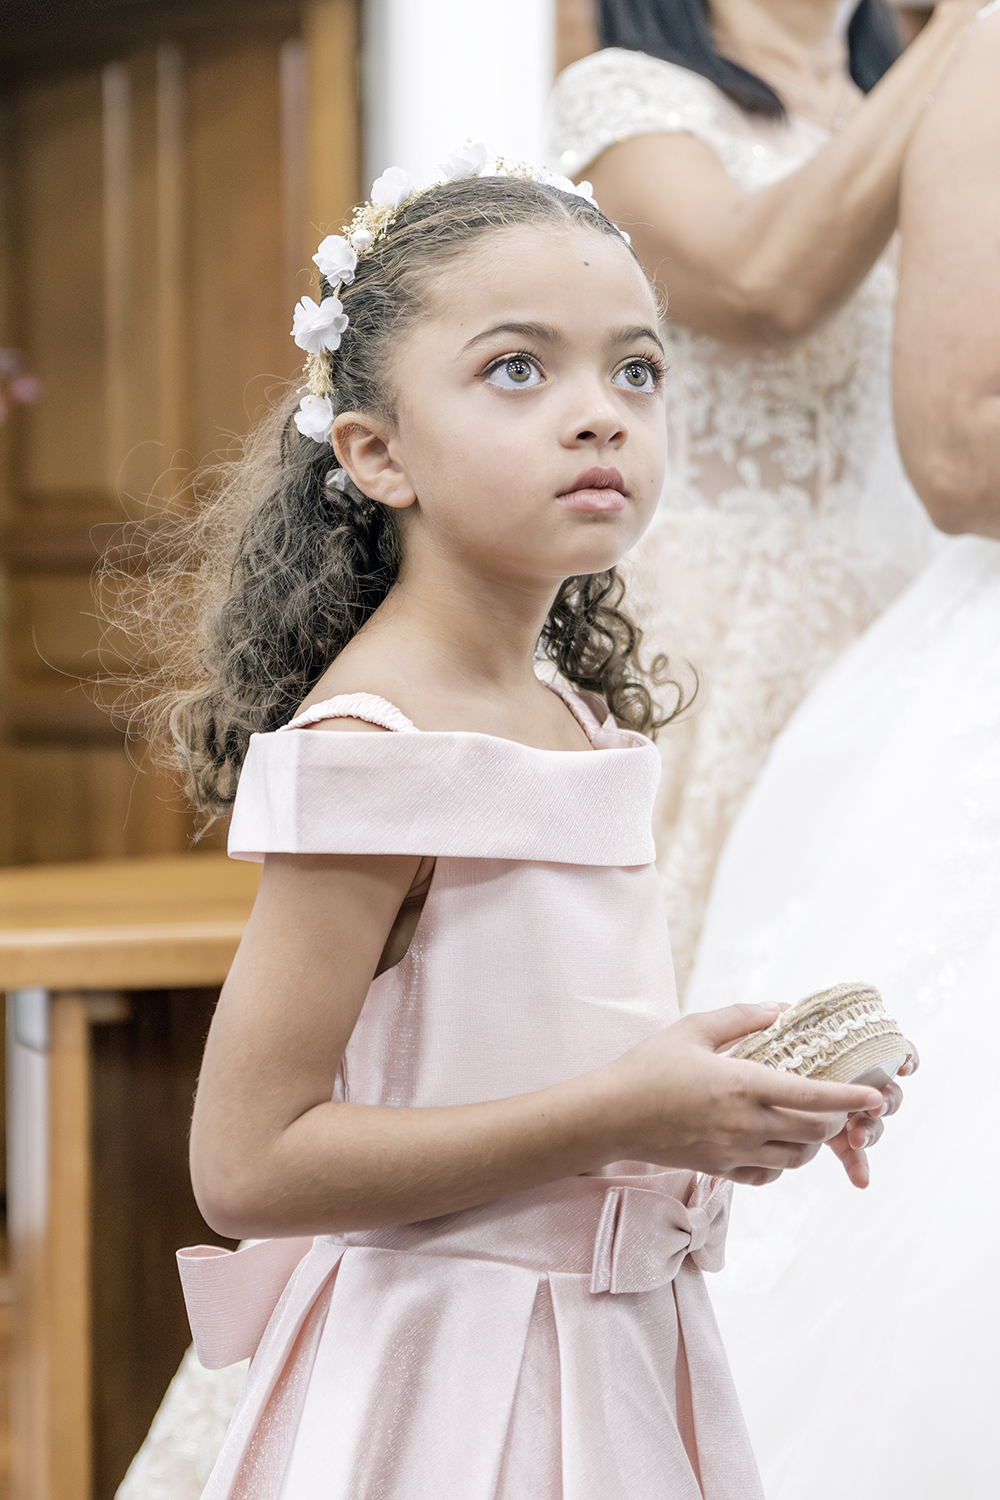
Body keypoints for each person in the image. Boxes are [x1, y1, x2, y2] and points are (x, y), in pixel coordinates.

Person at [112, 161, 898, 1499]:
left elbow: (526, 1044)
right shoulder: (374, 747)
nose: (600, 415)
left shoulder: (568, 713)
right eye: (518, 371)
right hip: (455, 1385)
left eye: (636, 371)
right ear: (377, 452)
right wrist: (625, 1107)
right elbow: (247, 1164)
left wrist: (729, 1097)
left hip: (617, 1357)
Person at [684, 9, 1000, 1494]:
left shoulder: (890, 76)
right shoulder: (634, 102)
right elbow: (953, 439)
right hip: (752, 636)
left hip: (870, 605)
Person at [549, 0, 980, 990]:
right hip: (713, 648)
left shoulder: (906, 95)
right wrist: (963, 27)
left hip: (907, 625)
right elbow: (760, 286)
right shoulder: (628, 97)